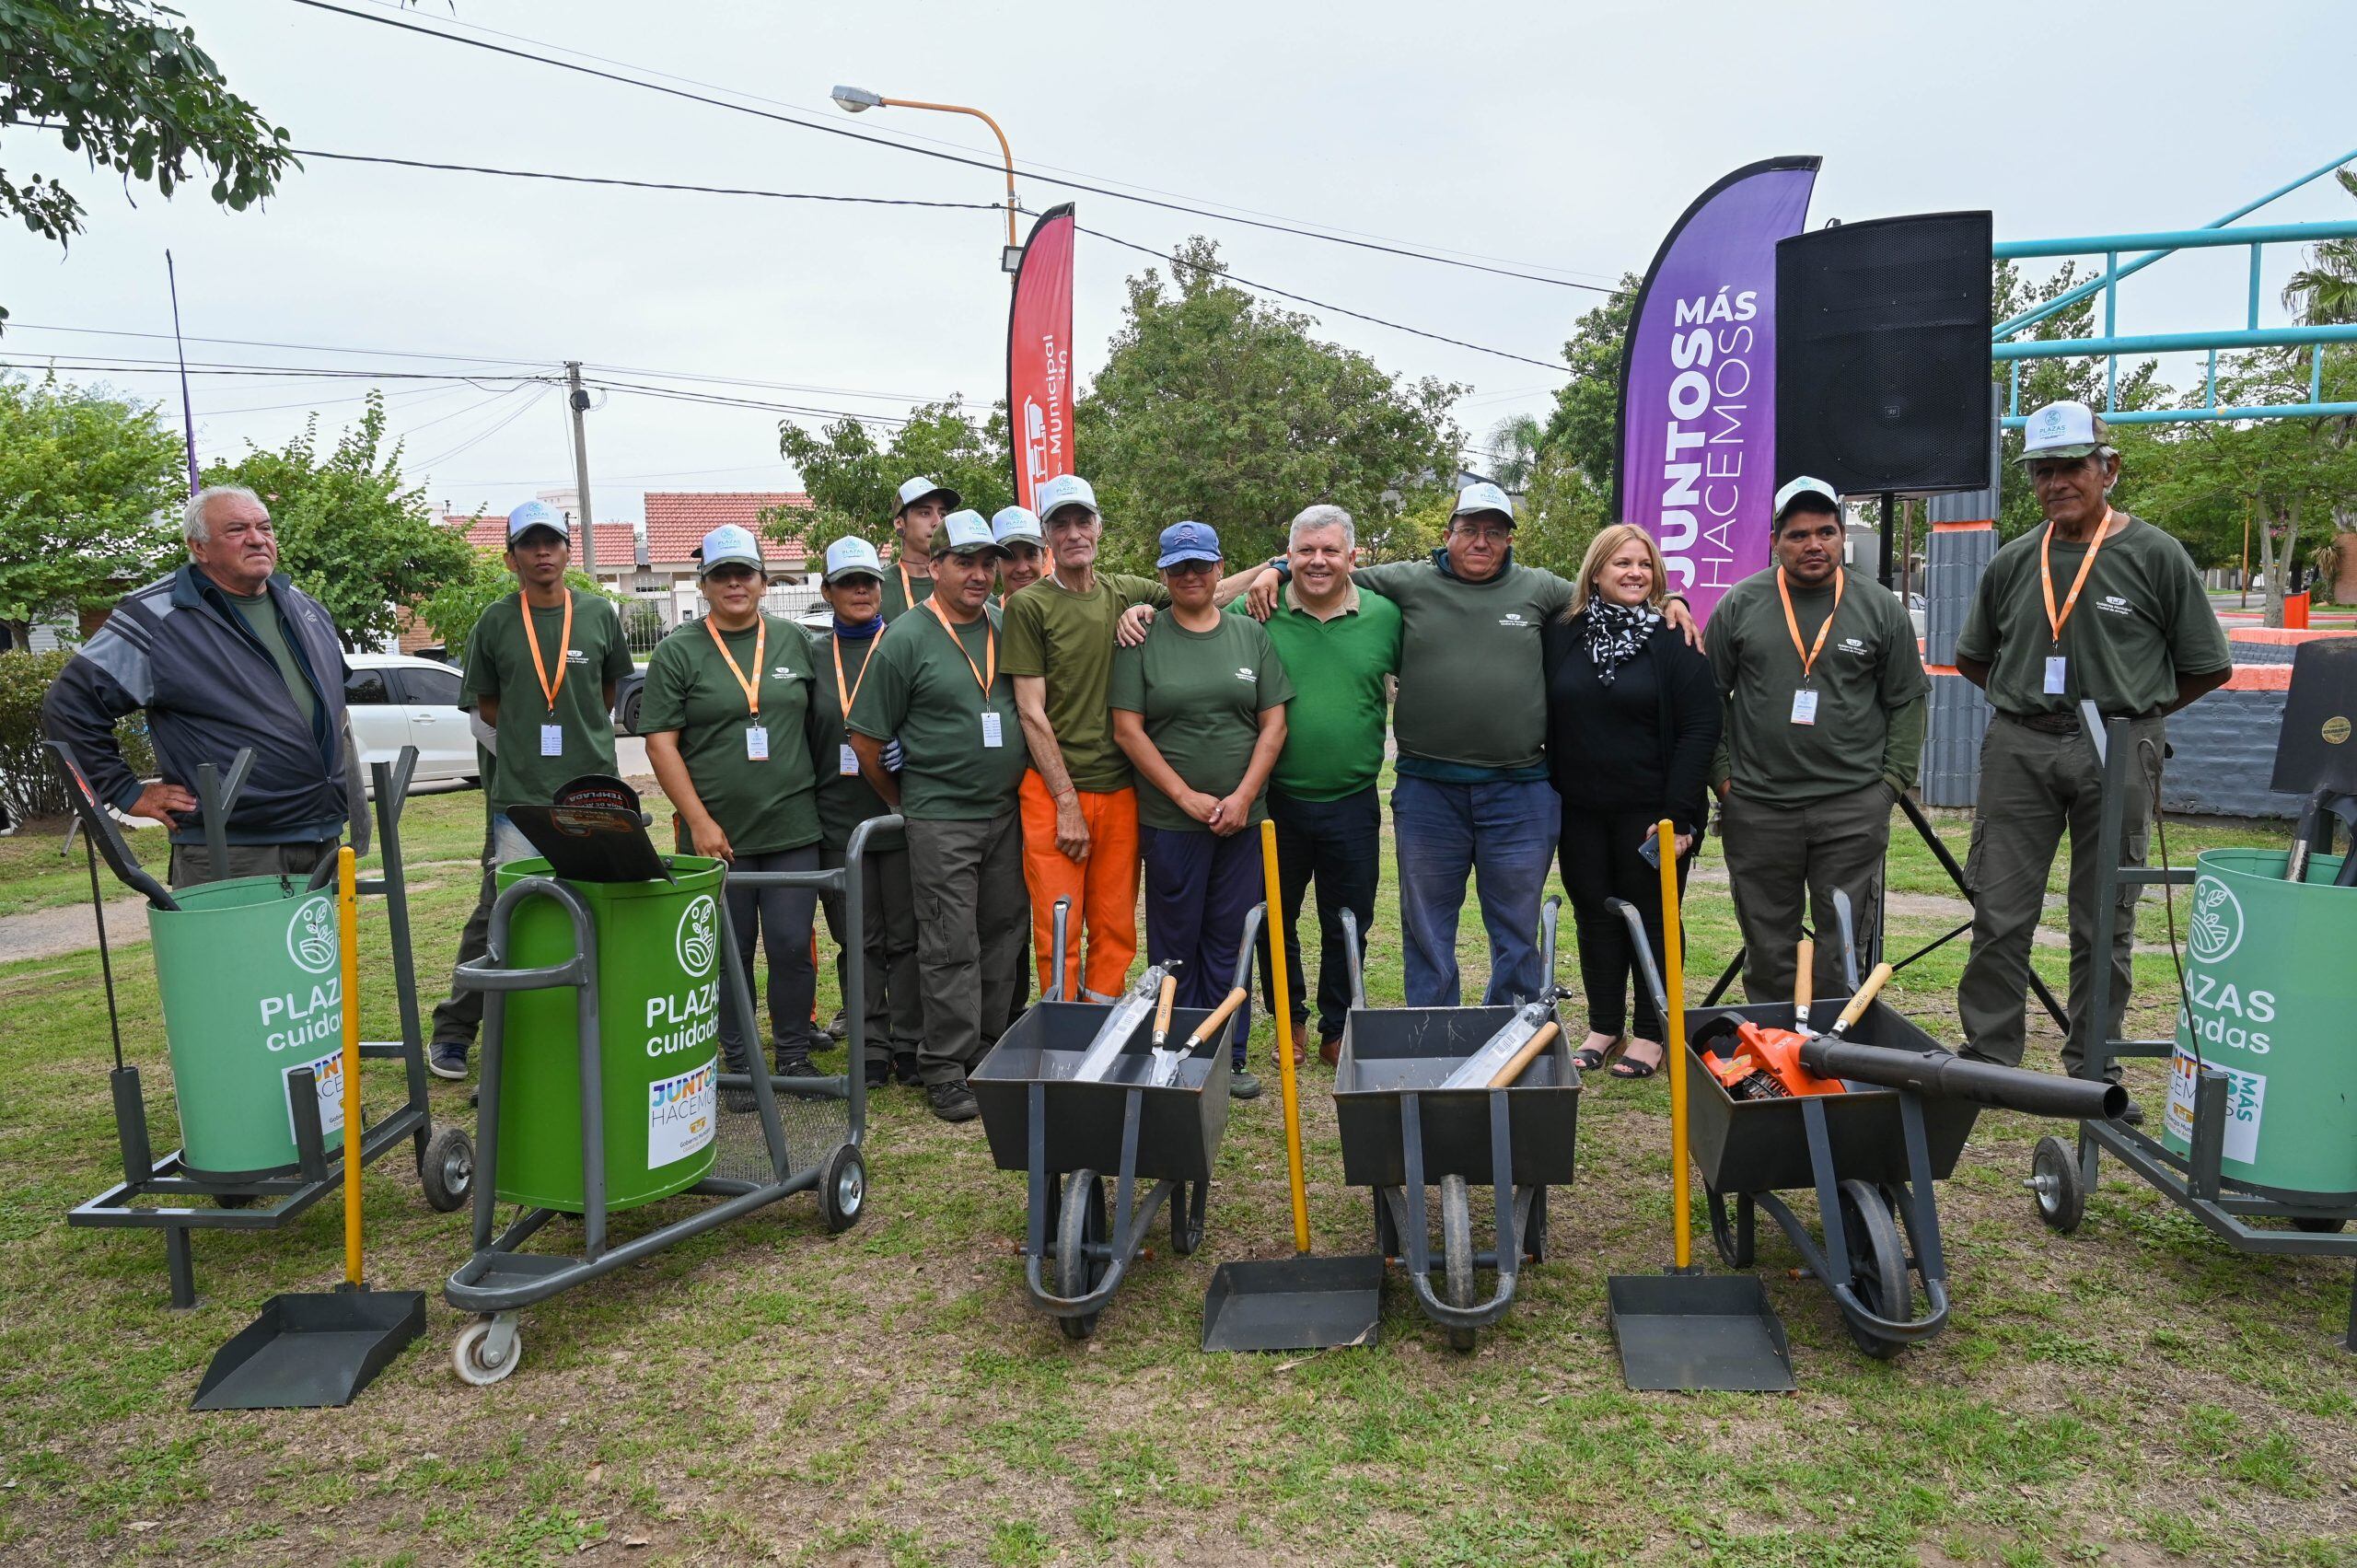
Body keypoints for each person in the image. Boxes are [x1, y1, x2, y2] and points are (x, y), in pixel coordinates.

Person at [1244, 481, 1699, 1008]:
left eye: (1495, 532)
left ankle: (1507, 1028)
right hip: (1428, 789)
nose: (1481, 541)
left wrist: (1675, 601)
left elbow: (1609, 589)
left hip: (1520, 791)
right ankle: (1435, 1027)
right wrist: (1274, 569)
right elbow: (1326, 569)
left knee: (1515, 925)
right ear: (1448, 534)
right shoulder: (1407, 580)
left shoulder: (1539, 588)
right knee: (1427, 924)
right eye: (1469, 530)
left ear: (1509, 540)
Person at [1954, 401, 2230, 1108]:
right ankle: (1990, 1057)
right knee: (2000, 909)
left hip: (2119, 743)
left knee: (2105, 914)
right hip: (2020, 743)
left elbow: (2207, 664)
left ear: (2108, 468)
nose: (2056, 483)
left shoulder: (2155, 554)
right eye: (2043, 471)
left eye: (2071, 466)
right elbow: (1975, 657)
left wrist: (2137, 716)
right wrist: (2030, 707)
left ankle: (2093, 1064)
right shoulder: (2016, 560)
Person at [1004, 475, 1263, 1003]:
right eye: (1060, 524)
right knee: (1059, 926)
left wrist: (1274, 570)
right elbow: (1031, 713)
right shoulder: (1029, 606)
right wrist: (1066, 802)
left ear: (1098, 527)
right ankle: (1063, 1033)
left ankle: (1101, 1036)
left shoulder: (1128, 591)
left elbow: (1205, 590)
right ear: (1047, 536)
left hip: (1123, 790)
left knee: (1115, 927)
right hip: (1055, 793)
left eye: (1082, 521)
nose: (1073, 533)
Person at [43, 484, 352, 888]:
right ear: (199, 547)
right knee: (236, 953)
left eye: (265, 527)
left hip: (321, 834)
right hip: (231, 848)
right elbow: (69, 705)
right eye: (237, 529)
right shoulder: (157, 616)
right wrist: (123, 790)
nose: (257, 539)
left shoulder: (305, 607)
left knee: (314, 951)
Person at [425, 499, 632, 1078]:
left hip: (592, 792)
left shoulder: (598, 615)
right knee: (501, 911)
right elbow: (487, 708)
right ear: (512, 555)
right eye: (530, 544)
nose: (543, 553)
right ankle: (455, 1033)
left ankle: (590, 1021)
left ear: (568, 550)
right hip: (519, 797)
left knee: (595, 902)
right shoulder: (494, 621)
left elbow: (608, 694)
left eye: (553, 542)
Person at [1709, 478, 1927, 1008]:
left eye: (1826, 532)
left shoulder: (1879, 607)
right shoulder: (1740, 604)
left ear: (1841, 537)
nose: (1814, 544)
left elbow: (1907, 699)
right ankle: (1772, 1060)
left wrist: (1890, 786)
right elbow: (1708, 698)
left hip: (1851, 805)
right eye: (1798, 534)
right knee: (1769, 946)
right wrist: (1722, 778)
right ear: (1774, 542)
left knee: (1843, 946)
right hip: (1759, 805)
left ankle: (1836, 1059)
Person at [846, 509, 1029, 1122]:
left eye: (987, 562)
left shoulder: (1006, 625)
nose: (979, 574)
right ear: (933, 566)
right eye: (964, 561)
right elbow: (865, 736)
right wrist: (904, 799)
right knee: (951, 940)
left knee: (1004, 931)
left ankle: (989, 1047)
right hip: (941, 816)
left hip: (1005, 812)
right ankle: (946, 1066)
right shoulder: (904, 637)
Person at [1112, 522, 1293, 1099]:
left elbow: (1274, 724)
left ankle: (1227, 1054)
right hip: (1171, 821)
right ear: (1163, 575)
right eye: (1178, 567)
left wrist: (1243, 796)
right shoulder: (1140, 639)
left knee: (1232, 935)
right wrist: (1185, 796)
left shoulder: (1250, 636)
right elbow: (1128, 729)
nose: (1190, 575)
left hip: (1243, 818)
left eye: (1200, 565)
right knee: (1175, 938)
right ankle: (1174, 1048)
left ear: (1219, 569)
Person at [641, 524, 826, 1077]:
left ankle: (792, 1054)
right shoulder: (679, 651)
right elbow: (659, 743)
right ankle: (741, 1061)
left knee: (793, 946)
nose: (734, 584)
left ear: (764, 581)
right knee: (729, 952)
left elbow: (823, 721)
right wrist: (698, 821)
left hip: (794, 825)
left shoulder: (796, 642)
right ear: (704, 585)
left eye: (744, 573)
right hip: (715, 835)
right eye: (721, 575)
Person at [1542, 524, 1720, 1078]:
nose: (1634, 573)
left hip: (1653, 813)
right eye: (1621, 563)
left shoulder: (1674, 639)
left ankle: (1651, 1031)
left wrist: (1677, 813)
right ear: (1596, 572)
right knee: (1594, 913)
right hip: (1580, 808)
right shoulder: (1562, 633)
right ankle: (1604, 1024)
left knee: (1655, 918)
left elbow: (1700, 728)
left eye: (1644, 564)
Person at [1247, 505, 1400, 1066]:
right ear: (1288, 557)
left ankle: (1339, 1027)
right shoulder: (1258, 609)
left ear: (1352, 558)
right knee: (1272, 918)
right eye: (1305, 551)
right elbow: (1196, 603)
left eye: (1330, 551)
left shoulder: (1386, 616)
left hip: (1352, 801)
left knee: (1350, 920)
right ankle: (1290, 1022)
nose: (1318, 561)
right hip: (1274, 800)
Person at [807, 536, 925, 1089]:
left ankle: (908, 1040)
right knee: (858, 939)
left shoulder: (907, 642)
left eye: (869, 581)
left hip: (900, 816)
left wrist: (912, 746)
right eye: (848, 582)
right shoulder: (809, 656)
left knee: (906, 938)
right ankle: (870, 1044)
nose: (861, 590)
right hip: (838, 818)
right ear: (828, 589)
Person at [880, 475, 959, 622]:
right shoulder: (877, 587)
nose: (937, 522)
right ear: (899, 523)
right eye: (925, 513)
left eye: (942, 514)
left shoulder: (963, 580)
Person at [993, 505, 1047, 597]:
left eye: (1031, 555)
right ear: (996, 563)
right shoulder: (987, 611)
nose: (1022, 569)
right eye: (1010, 556)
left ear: (1045, 556)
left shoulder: (1064, 609)